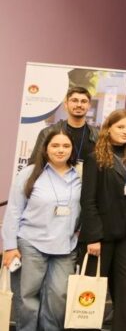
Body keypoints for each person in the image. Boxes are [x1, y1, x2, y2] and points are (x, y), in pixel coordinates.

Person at [80, 109, 126, 331]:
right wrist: (93, 237)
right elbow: (88, 200)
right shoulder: (95, 158)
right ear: (108, 128)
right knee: (91, 289)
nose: (125, 131)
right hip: (102, 234)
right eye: (120, 127)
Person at [2, 129, 81, 331]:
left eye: (66, 146)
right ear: (45, 149)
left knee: (58, 299)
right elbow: (14, 210)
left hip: (65, 247)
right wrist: (10, 246)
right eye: (55, 145)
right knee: (27, 298)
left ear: (72, 150)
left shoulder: (80, 175)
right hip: (30, 244)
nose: (60, 150)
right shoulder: (29, 173)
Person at [29, 86, 99, 167]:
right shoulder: (47, 133)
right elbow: (34, 164)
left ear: (89, 106)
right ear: (66, 104)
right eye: (74, 100)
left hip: (88, 175)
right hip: (55, 175)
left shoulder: (98, 135)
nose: (79, 105)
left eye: (83, 101)